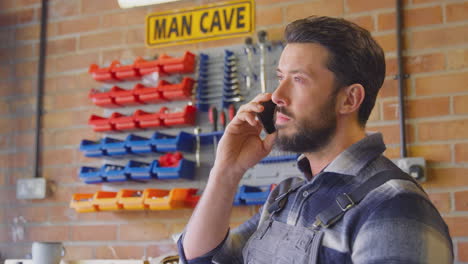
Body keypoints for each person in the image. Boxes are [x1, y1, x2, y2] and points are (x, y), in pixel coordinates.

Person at [178, 16, 454, 263]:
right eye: (280, 77)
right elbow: (201, 259)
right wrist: (227, 170)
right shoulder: (287, 196)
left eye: (298, 79)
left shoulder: (393, 206)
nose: (277, 96)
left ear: (349, 99)